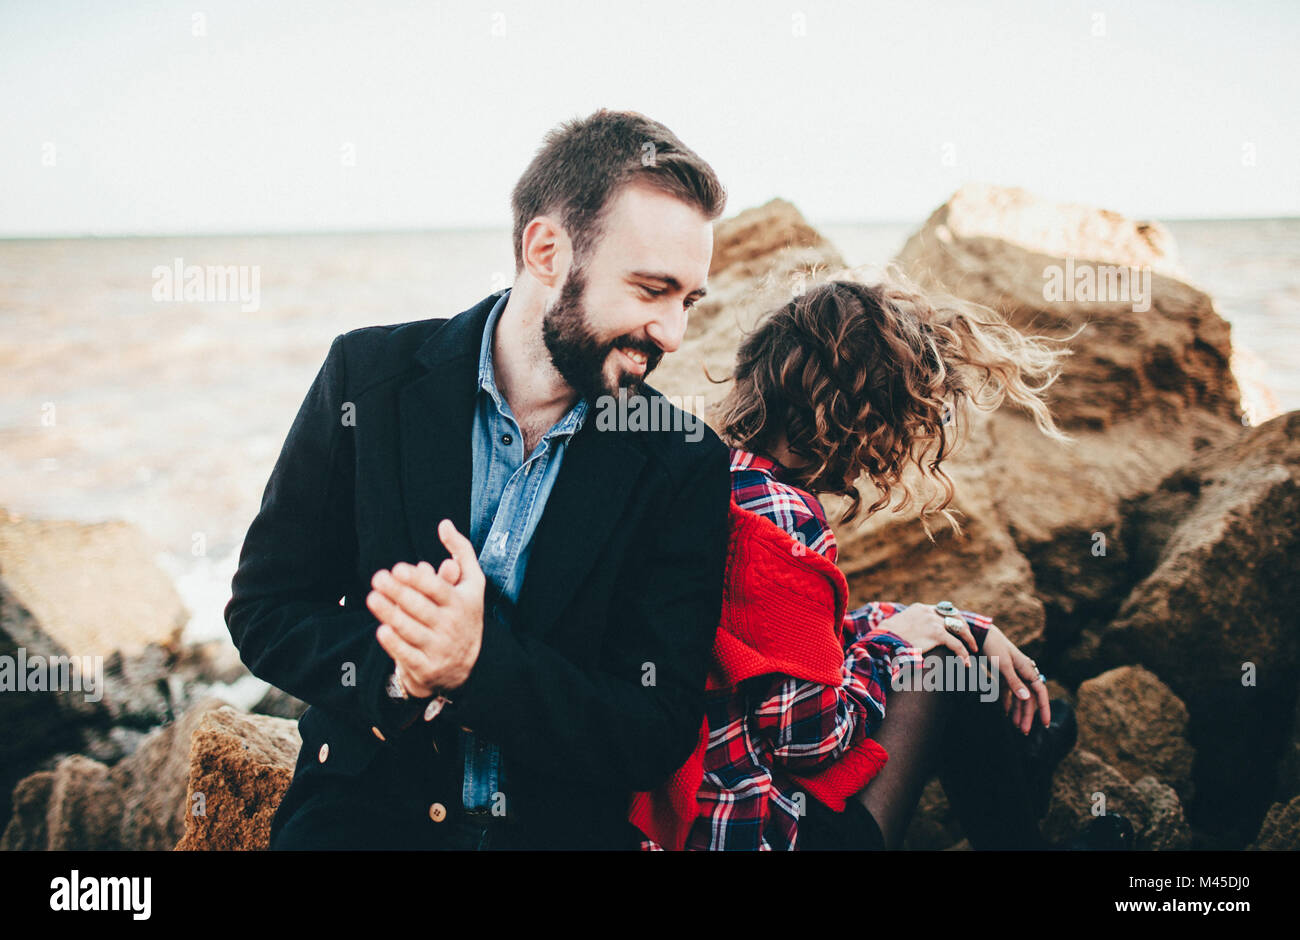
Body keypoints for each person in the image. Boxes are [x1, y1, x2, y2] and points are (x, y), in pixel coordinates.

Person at [226, 109, 733, 850]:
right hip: (356, 823)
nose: (673, 333)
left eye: (687, 301)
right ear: (547, 249)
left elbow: (653, 730)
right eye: (652, 289)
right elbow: (267, 609)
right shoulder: (367, 381)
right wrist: (395, 676)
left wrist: (476, 665)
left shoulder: (684, 462)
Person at [632, 275, 1109, 850]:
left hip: (696, 817)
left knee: (944, 651)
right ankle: (1019, 782)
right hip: (756, 835)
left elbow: (793, 651)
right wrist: (898, 646)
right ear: (856, 416)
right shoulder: (784, 517)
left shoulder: (721, 485)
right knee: (946, 675)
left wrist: (955, 624)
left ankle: (1018, 764)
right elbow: (810, 737)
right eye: (897, 419)